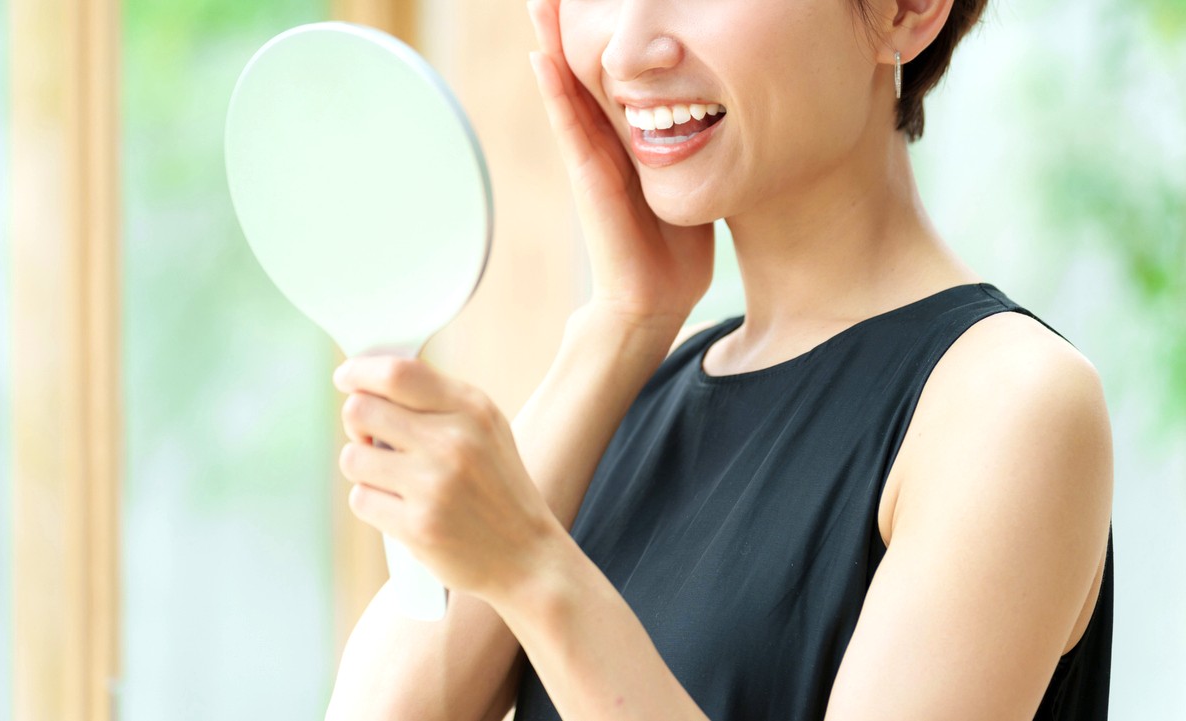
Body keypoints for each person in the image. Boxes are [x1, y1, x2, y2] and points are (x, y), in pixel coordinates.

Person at [324, 0, 1114, 718]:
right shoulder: (639, 380)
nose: (628, 49)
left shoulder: (1009, 403)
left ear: (906, 10)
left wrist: (535, 570)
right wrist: (624, 319)